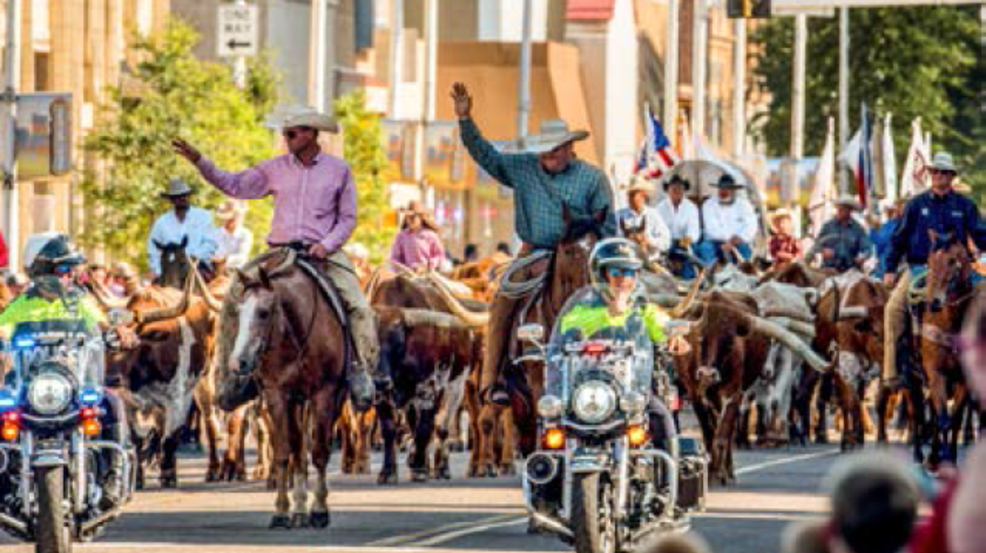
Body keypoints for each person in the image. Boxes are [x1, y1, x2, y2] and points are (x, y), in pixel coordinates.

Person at [174, 106, 382, 406]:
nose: (286, 138)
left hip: (323, 253)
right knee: (235, 295)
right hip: (280, 251)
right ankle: (234, 378)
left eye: (292, 133)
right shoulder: (273, 168)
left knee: (359, 305)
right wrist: (199, 161)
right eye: (285, 133)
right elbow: (233, 184)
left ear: (311, 134)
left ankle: (362, 371)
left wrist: (326, 244)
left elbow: (348, 218)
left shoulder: (339, 170)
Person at [452, 82, 616, 404]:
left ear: (571, 148)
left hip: (583, 256)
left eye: (556, 149)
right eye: (545, 149)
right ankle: (493, 380)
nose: (549, 155)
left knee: (622, 302)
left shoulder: (593, 179)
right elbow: (486, 155)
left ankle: (626, 369)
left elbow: (609, 228)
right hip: (533, 253)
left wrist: (593, 255)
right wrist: (465, 121)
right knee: (502, 301)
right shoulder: (523, 167)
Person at [0, 235, 137, 509]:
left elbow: (101, 325)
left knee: (113, 402)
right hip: (31, 384)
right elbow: (3, 327)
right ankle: (4, 484)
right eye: (64, 270)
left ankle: (112, 476)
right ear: (41, 271)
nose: (70, 277)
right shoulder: (21, 304)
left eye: (73, 271)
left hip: (75, 381)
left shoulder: (80, 302)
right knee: (3, 405)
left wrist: (118, 333)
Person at [882, 151, 986, 388]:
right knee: (892, 309)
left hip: (958, 270)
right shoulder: (915, 205)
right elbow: (899, 238)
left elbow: (980, 235)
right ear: (930, 174)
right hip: (920, 268)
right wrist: (889, 269)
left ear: (951, 176)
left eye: (944, 172)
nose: (939, 176)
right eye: (935, 171)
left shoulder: (965, 205)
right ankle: (891, 371)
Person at [147, 178, 218, 281]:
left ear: (188, 195)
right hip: (169, 270)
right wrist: (158, 272)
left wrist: (194, 257)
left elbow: (211, 243)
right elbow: (153, 250)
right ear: (171, 200)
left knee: (216, 288)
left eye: (184, 195)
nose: (182, 198)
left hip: (197, 267)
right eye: (177, 196)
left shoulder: (204, 216)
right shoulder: (161, 223)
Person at [697, 174, 758, 265]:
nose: (724, 191)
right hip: (715, 241)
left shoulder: (744, 204)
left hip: (738, 241)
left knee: (745, 254)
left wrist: (735, 240)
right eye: (721, 188)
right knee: (705, 248)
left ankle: (744, 275)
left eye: (727, 188)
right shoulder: (708, 204)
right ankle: (712, 275)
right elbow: (711, 229)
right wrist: (728, 242)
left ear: (733, 190)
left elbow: (751, 226)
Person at [806, 197, 872, 273]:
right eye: (838, 208)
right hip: (829, 269)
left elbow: (867, 248)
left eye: (842, 209)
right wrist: (823, 250)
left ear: (849, 211)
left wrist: (863, 257)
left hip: (850, 270)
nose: (839, 211)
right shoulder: (828, 226)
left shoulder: (857, 229)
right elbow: (817, 245)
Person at [617, 177, 671, 265]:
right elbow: (611, 239)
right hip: (626, 264)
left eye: (633, 194)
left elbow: (666, 242)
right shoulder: (619, 215)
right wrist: (624, 242)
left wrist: (649, 241)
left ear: (643, 195)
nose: (629, 198)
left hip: (651, 263)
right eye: (629, 194)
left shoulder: (653, 215)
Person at [656, 175, 702, 279]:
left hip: (684, 242)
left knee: (693, 251)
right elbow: (657, 229)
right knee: (657, 252)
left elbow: (694, 230)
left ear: (684, 191)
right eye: (674, 189)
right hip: (666, 242)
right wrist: (664, 241)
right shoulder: (660, 208)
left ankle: (688, 280)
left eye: (680, 189)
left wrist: (687, 239)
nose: (677, 191)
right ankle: (663, 279)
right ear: (668, 190)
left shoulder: (691, 207)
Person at [390, 201, 446, 271]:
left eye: (413, 217)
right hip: (406, 274)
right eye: (408, 217)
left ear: (421, 218)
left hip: (427, 274)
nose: (410, 219)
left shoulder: (430, 235)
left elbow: (440, 256)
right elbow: (395, 257)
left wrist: (427, 266)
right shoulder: (401, 236)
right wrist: (401, 268)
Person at [869, 199, 905, 279]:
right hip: (886, 263)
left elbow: (880, 242)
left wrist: (873, 228)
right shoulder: (888, 225)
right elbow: (878, 244)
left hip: (892, 265)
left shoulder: (895, 225)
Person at [214, 199, 254, 270]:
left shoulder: (245, 234)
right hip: (212, 267)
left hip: (232, 271)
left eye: (231, 220)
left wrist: (223, 259)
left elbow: (242, 257)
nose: (227, 222)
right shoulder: (217, 231)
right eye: (227, 219)